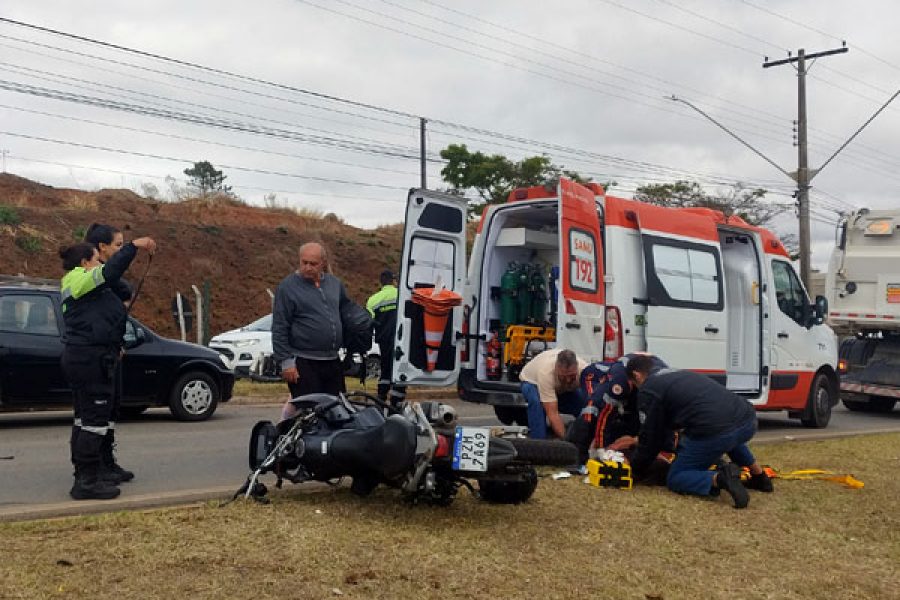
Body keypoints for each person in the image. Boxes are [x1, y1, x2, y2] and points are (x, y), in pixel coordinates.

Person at [59, 235, 156, 500]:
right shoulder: (78, 279)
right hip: (89, 359)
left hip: (93, 356)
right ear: (84, 262)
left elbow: (117, 287)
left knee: (86, 420)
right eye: (97, 260)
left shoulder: (83, 284)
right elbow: (110, 272)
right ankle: (86, 482)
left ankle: (91, 473)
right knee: (93, 423)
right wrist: (133, 247)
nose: (100, 264)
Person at [621, 354, 774, 509]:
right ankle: (759, 477)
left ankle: (720, 478)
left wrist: (635, 469)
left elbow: (651, 438)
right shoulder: (674, 373)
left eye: (634, 383)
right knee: (729, 434)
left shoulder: (648, 389)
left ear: (636, 375)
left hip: (715, 431)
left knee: (676, 477)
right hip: (747, 419)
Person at [83, 223, 135, 484]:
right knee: (93, 417)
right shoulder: (91, 279)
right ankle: (92, 471)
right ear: (101, 248)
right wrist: (136, 247)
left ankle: (106, 462)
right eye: (118, 245)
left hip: (110, 354)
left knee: (110, 412)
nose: (121, 250)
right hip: (93, 357)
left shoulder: (111, 282)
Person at [272, 242, 351, 399]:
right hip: (304, 362)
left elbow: (346, 313)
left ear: (323, 263)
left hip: (332, 361)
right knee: (310, 413)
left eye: (313, 264)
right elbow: (280, 326)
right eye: (304, 262)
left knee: (337, 410)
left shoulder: (335, 284)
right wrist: (286, 362)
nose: (308, 267)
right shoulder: (287, 288)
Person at [519, 348, 587, 439]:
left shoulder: (584, 370)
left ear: (577, 368)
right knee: (536, 402)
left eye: (572, 376)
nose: (568, 380)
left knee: (585, 404)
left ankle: (586, 436)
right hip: (531, 382)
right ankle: (539, 442)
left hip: (559, 388)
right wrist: (567, 442)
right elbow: (552, 414)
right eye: (564, 376)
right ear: (557, 368)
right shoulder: (546, 373)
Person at [365, 269, 406, 406]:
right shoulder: (401, 295)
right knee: (400, 369)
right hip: (402, 339)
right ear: (393, 281)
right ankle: (396, 402)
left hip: (384, 339)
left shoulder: (373, 300)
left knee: (386, 369)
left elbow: (369, 323)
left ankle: (381, 398)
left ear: (381, 283)